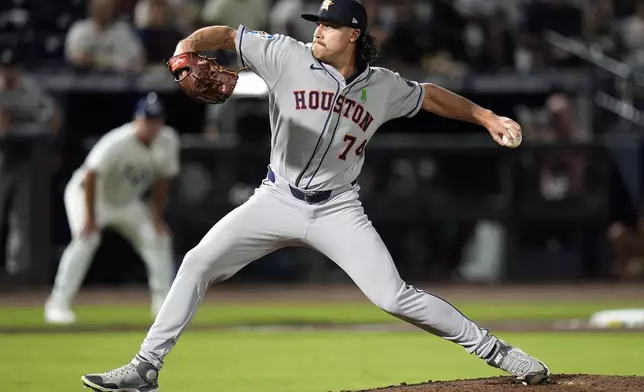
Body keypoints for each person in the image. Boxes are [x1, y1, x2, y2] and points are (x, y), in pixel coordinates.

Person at [81, 1, 550, 390]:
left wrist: (487, 116)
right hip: (275, 198)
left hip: (338, 209)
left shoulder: (381, 86)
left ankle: (498, 351)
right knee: (197, 262)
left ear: (354, 35)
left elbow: (429, 95)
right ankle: (146, 367)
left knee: (392, 296)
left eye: (329, 25)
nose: (319, 31)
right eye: (318, 23)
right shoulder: (285, 54)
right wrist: (186, 48)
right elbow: (224, 35)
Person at [44, 93, 179, 325]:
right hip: (90, 195)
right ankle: (57, 305)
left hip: (127, 202)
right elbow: (90, 174)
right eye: (147, 119)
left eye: (155, 119)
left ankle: (163, 306)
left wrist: (156, 216)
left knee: (158, 237)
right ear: (137, 119)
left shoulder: (168, 140)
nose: (151, 125)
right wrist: (89, 217)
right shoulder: (118, 141)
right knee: (87, 239)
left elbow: (163, 180)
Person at [0, 48, 60, 284]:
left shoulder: (30, 88)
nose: (8, 73)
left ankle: (17, 273)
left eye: (12, 68)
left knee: (21, 215)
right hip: (2, 154)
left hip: (26, 154)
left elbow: (53, 116)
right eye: (4, 69)